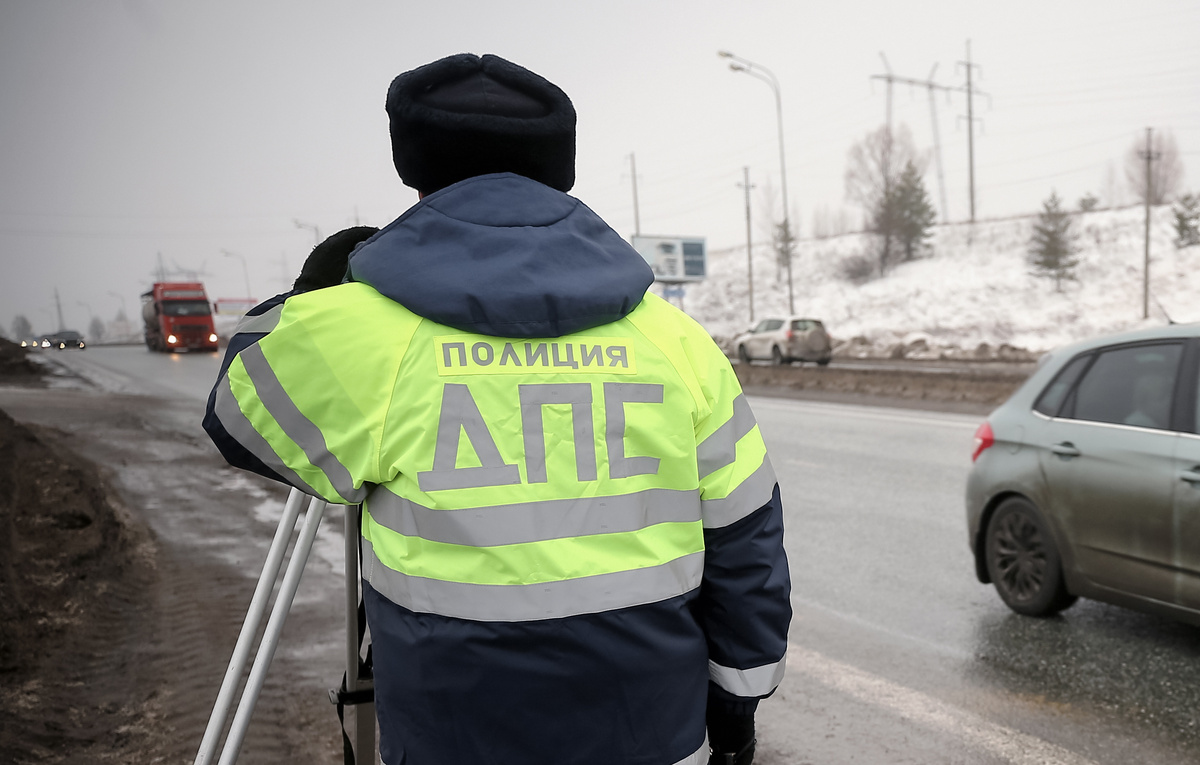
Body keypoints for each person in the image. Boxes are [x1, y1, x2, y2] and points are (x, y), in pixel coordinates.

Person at [203, 52, 791, 765]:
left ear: (416, 169)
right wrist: (737, 699)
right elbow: (747, 535)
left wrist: (311, 296)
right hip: (652, 736)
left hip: (453, 739)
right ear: (557, 166)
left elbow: (237, 408)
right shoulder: (674, 339)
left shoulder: (366, 332)